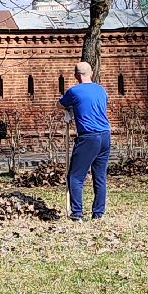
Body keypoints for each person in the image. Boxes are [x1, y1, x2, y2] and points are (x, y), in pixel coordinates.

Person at [60, 60, 111, 221]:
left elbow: (59, 104)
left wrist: (69, 110)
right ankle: (98, 213)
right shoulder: (101, 90)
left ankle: (77, 213)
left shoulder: (74, 91)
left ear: (76, 75)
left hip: (88, 137)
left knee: (75, 176)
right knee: (100, 176)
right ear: (92, 73)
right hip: (105, 135)